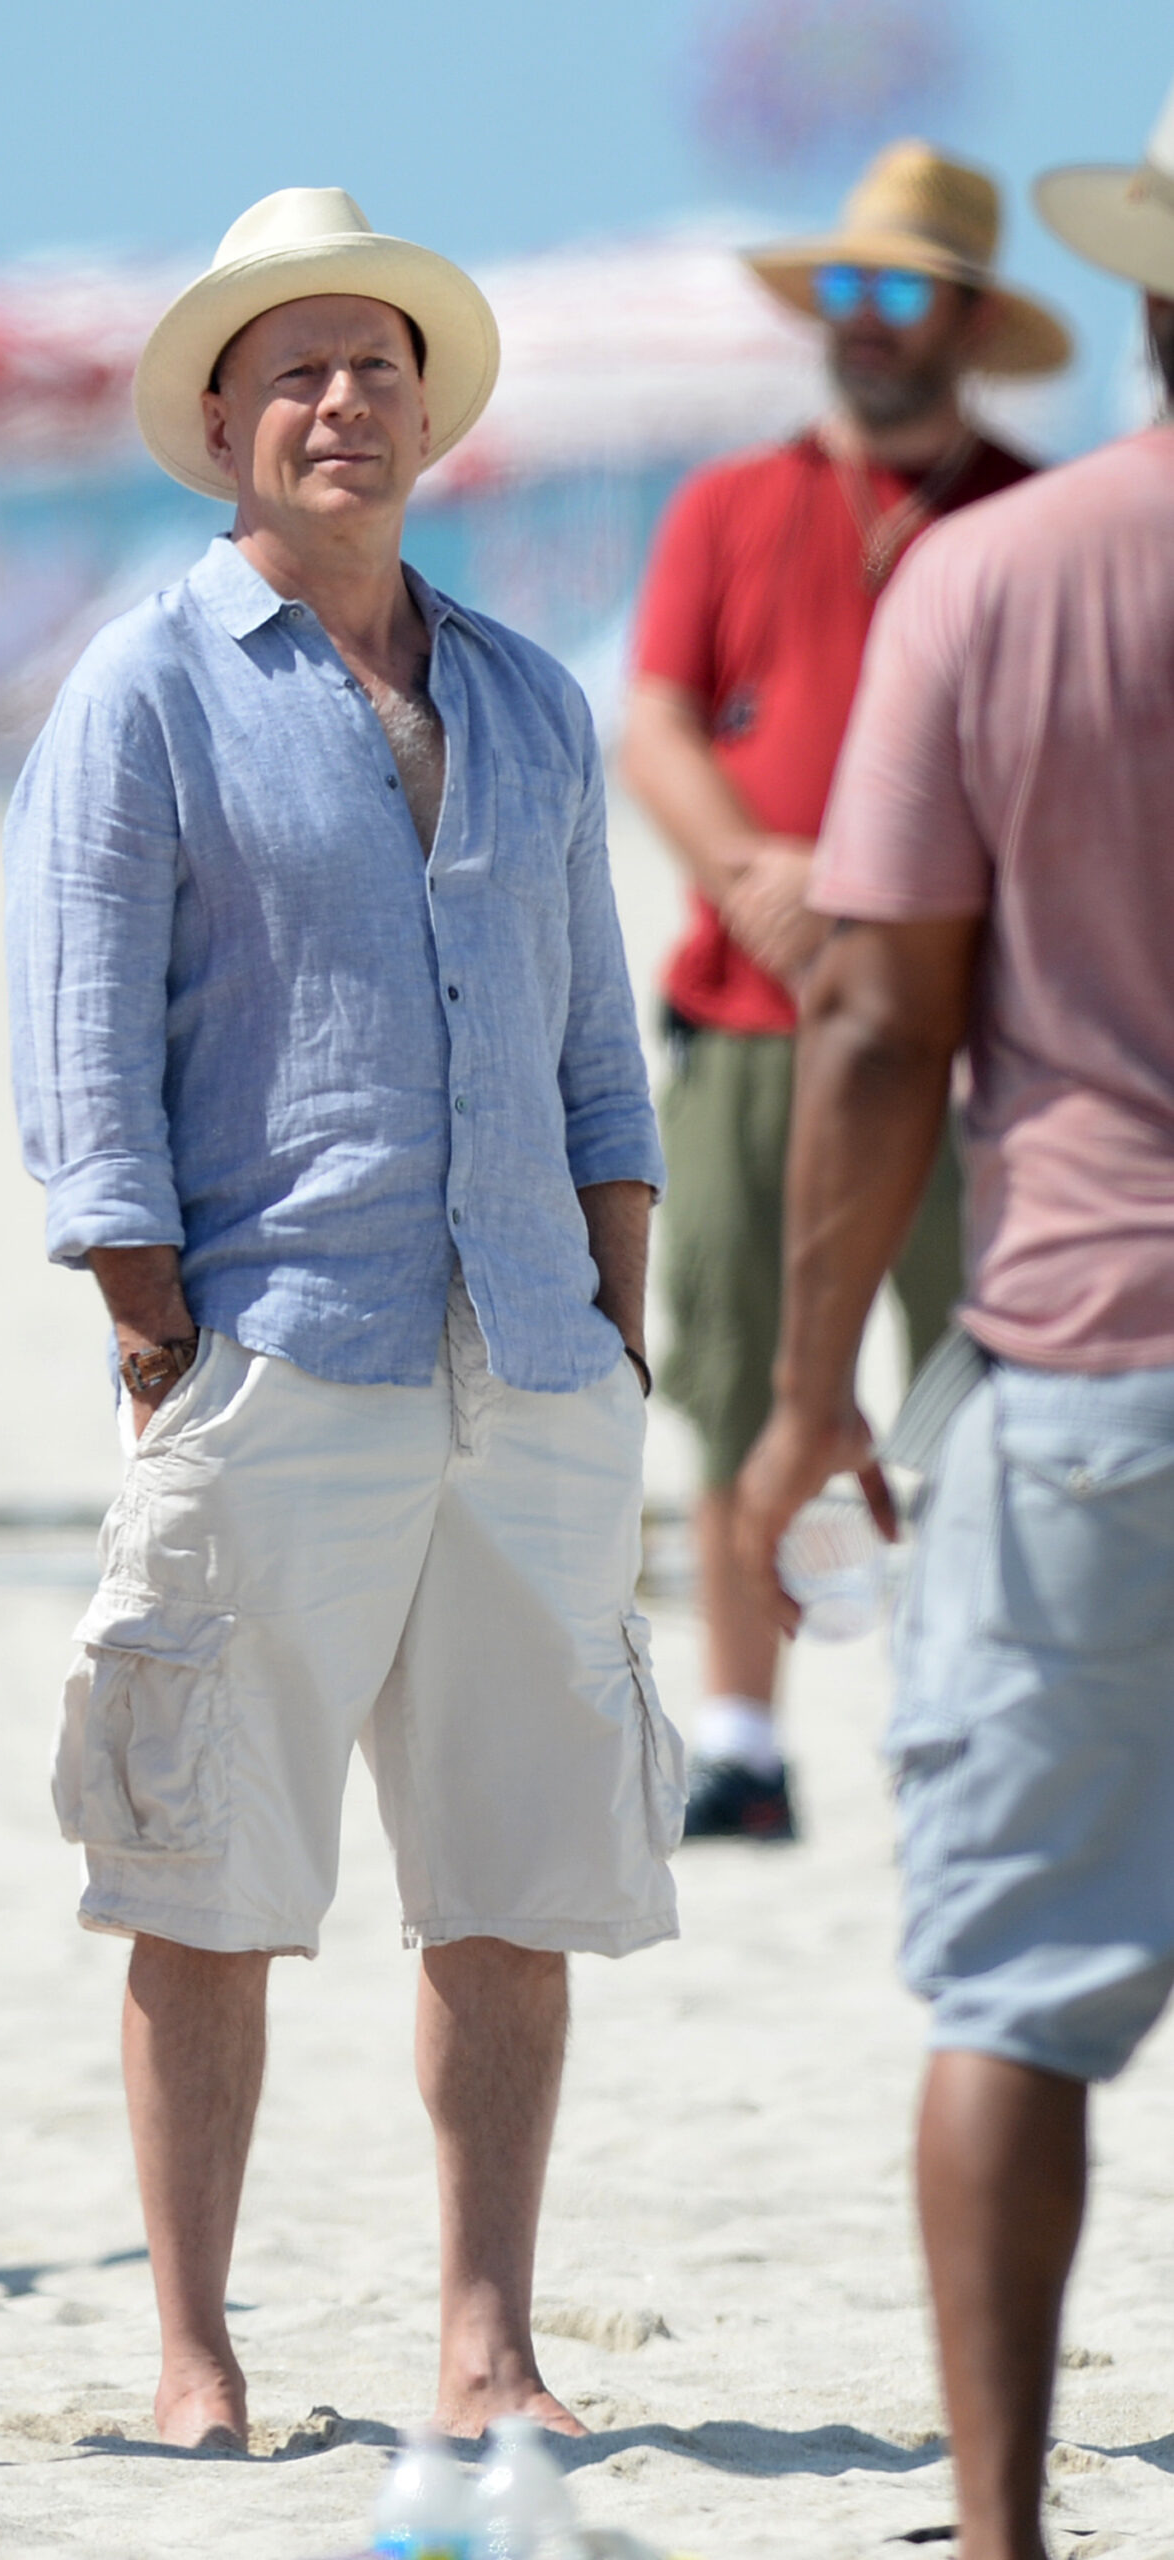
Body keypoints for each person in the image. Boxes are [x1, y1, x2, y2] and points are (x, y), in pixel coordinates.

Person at [6, 187, 681, 2449]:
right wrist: (158, 1347)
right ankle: (196, 2359)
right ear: (220, 418)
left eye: (374, 367)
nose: (340, 401)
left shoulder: (520, 689)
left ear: (426, 413)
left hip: (535, 1367)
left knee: (506, 1889)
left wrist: (622, 1321)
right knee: (206, 1873)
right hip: (277, 1347)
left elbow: (603, 1049)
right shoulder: (143, 686)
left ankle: (487, 2346)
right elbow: (82, 1066)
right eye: (293, 369)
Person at [734, 81, 1174, 2560]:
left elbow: (888, 1021)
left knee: (1018, 1983)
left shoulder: (1000, 578)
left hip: (1091, 1340)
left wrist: (812, 1397)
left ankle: (1002, 2527)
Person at [621, 142, 1070, 1839]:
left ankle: (963, 1717)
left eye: (902, 292)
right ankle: (745, 1735)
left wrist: (888, 906)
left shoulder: (1026, 512)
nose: (866, 323)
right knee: (739, 1368)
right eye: (849, 291)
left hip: (977, 1029)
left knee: (982, 1378)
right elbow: (658, 721)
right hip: (748, 1018)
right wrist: (762, 878)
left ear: (963, 315)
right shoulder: (730, 503)